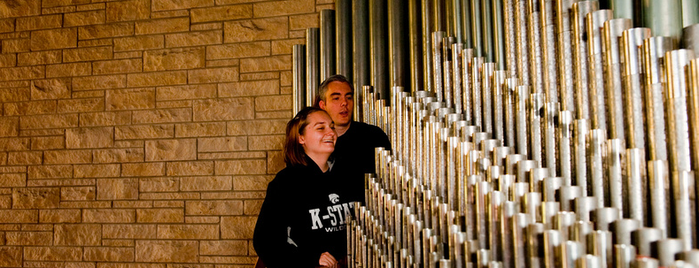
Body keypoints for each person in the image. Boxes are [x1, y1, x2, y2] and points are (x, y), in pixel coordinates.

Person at [253, 107, 358, 268]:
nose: (331, 132)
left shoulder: (348, 177)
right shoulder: (286, 182)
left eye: (332, 127)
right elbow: (265, 242)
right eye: (321, 128)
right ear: (301, 138)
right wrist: (311, 258)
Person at [315, 75, 392, 199]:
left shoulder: (373, 136)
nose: (344, 103)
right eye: (336, 98)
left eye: (349, 97)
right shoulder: (314, 141)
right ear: (323, 105)